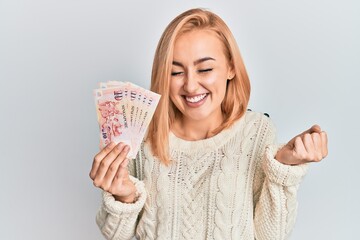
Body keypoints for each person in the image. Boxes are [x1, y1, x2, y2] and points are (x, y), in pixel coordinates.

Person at [89, 8, 328, 240]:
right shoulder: (140, 135)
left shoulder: (255, 132)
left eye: (205, 69)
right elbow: (115, 234)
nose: (191, 86)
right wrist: (124, 198)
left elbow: (271, 236)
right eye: (175, 72)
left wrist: (284, 168)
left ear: (231, 67)